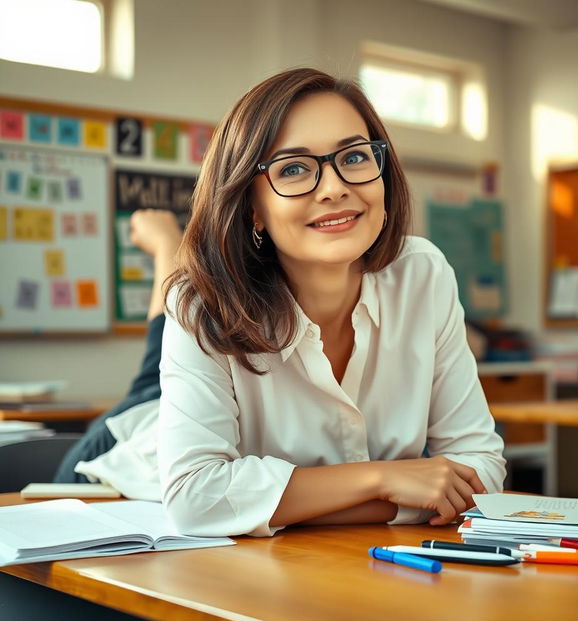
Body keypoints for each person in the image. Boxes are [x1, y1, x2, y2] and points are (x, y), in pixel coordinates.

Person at [58, 68, 505, 535]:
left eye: (353, 156)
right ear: (251, 206)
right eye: (293, 168)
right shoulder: (202, 304)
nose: (334, 187)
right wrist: (384, 479)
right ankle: (168, 247)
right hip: (125, 459)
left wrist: (302, 502)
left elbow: (481, 472)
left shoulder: (422, 273)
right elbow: (196, 499)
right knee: (162, 354)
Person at [54, 209, 182, 484]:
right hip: (115, 448)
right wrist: (167, 243)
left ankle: (167, 244)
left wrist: (166, 243)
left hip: (148, 409)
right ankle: (167, 244)